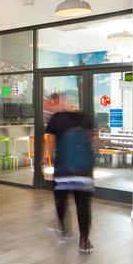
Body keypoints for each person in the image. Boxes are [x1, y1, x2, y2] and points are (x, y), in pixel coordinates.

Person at [44, 97, 96, 254]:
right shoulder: (85, 117)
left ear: (61, 104)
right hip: (83, 170)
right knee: (83, 204)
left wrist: (43, 162)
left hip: (63, 169)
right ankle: (83, 241)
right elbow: (93, 141)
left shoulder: (56, 119)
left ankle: (64, 229)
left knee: (61, 199)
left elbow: (50, 143)